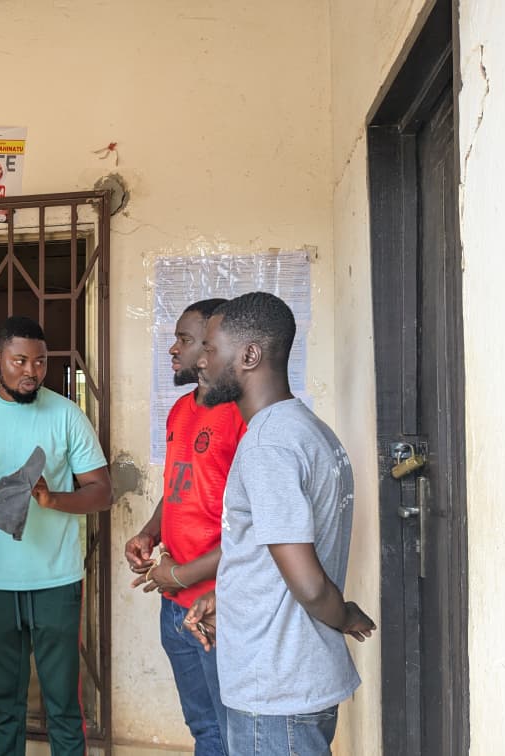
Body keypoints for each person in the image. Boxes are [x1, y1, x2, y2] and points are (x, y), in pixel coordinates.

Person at [186, 292, 375, 756]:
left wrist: (345, 615)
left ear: (249, 355)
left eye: (210, 349)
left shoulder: (268, 446)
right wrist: (227, 598)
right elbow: (275, 558)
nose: (201, 361)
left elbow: (309, 585)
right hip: (291, 680)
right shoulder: (305, 429)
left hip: (275, 692)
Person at [0, 316, 112, 756]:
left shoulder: (67, 416)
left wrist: (54, 501)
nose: (31, 371)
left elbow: (102, 492)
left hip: (56, 582)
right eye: (19, 361)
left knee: (64, 706)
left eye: (40, 361)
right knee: (6, 707)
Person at [124, 298, 245, 756]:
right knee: (204, 729)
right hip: (174, 606)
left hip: (216, 608)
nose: (173, 348)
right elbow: (178, 487)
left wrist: (177, 575)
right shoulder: (179, 411)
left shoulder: (240, 414)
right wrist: (149, 533)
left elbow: (252, 528)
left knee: (234, 732)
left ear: (213, 348)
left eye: (184, 339)